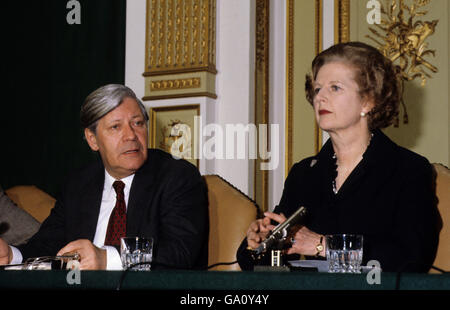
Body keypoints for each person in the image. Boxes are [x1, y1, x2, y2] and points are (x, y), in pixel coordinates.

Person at [237, 42, 440, 272]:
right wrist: (259, 243)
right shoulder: (304, 173)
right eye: (317, 89)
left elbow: (413, 258)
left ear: (368, 101)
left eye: (335, 88)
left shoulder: (408, 169)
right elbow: (253, 263)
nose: (320, 98)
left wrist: (323, 246)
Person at [0, 84, 209, 270]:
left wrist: (107, 258)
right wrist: (12, 256)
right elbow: (48, 245)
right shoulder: (78, 184)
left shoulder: (176, 176)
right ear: (93, 140)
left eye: (138, 123)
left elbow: (180, 252)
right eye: (116, 127)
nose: (131, 136)